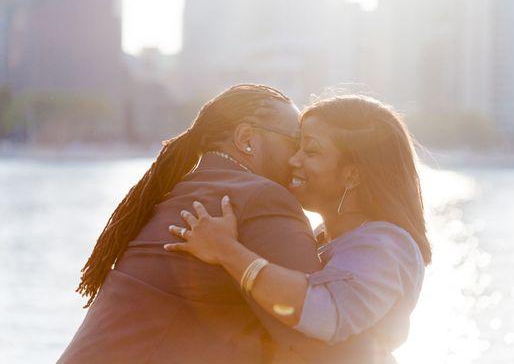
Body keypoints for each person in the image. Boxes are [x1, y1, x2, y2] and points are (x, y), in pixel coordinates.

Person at [59, 84, 342, 363]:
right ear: (246, 138)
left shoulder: (178, 193)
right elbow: (316, 334)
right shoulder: (261, 198)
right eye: (295, 141)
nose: (297, 159)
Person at [164, 95, 432, 363]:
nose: (293, 160)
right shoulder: (323, 237)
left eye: (311, 151)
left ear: (352, 175)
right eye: (296, 146)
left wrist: (228, 251)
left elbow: (327, 315)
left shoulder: (384, 245)